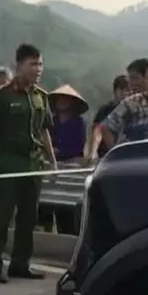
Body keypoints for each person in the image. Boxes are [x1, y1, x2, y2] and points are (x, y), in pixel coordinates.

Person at [0, 44, 58, 283]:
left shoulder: (41, 96)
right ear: (19, 66)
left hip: (34, 162)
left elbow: (45, 131)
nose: (38, 69)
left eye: (40, 64)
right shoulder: (2, 96)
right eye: (33, 64)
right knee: (3, 216)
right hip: (11, 160)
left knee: (28, 217)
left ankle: (20, 263)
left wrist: (52, 162)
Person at [45, 84, 88, 235]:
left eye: (65, 99)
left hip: (70, 170)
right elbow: (44, 142)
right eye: (59, 99)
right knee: (45, 209)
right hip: (50, 169)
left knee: (66, 213)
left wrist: (58, 151)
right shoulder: (51, 122)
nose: (61, 102)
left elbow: (76, 147)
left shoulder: (78, 123)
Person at [87, 74, 129, 160]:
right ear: (115, 91)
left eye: (128, 90)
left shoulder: (133, 110)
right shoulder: (105, 110)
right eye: (121, 90)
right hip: (106, 155)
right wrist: (91, 154)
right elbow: (97, 131)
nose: (124, 93)